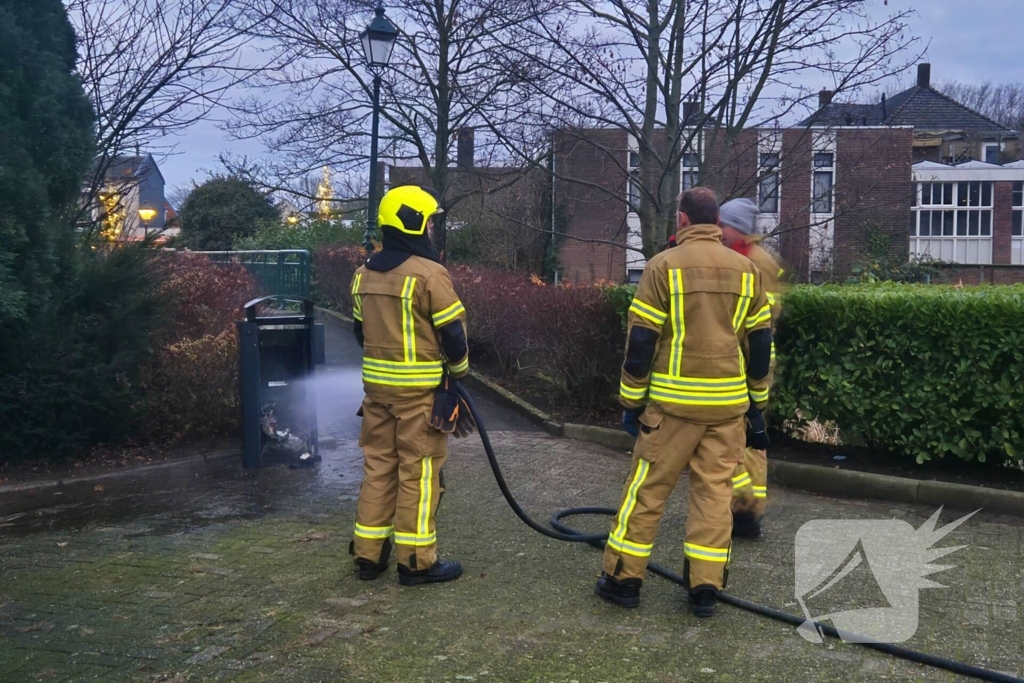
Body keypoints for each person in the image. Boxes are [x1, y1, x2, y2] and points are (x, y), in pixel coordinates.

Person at [596, 187, 773, 618]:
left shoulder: (662, 267)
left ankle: (623, 580)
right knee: (714, 496)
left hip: (672, 410)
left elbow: (641, 342)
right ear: (716, 222)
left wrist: (631, 402)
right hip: (727, 410)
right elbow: (761, 343)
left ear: (681, 221)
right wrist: (757, 403)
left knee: (647, 492)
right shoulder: (746, 271)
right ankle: (705, 590)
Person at [348, 185, 471, 586]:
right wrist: (459, 372)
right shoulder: (429, 274)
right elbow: (453, 335)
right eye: (429, 220)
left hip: (376, 396)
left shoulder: (362, 275)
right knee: (418, 476)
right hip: (419, 400)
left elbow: (358, 332)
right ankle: (417, 562)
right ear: (414, 222)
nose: (432, 227)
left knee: (379, 469)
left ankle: (368, 556)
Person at [718, 198, 784, 539]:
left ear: (738, 229)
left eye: (723, 226)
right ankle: (739, 506)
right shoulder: (739, 258)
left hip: (751, 364)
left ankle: (746, 512)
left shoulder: (758, 263)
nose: (718, 231)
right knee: (736, 440)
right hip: (737, 361)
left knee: (748, 441)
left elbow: (759, 326)